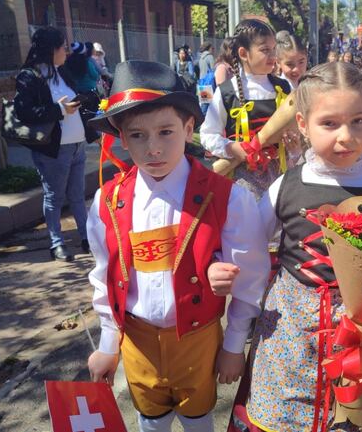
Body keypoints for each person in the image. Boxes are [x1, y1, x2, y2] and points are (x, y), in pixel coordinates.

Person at [85, 60, 269, 432]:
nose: (153, 148)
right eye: (137, 135)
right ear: (121, 136)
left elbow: (250, 277)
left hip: (197, 340)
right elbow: (104, 275)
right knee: (150, 420)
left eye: (166, 132)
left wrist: (234, 344)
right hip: (137, 341)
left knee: (198, 419)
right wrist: (108, 343)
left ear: (189, 128)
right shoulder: (107, 201)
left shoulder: (227, 199)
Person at [237, 60, 362, 432]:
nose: (346, 136)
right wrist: (237, 332)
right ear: (302, 124)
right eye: (329, 123)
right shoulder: (284, 187)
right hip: (294, 336)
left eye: (358, 122)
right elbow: (251, 256)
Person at [13, 27, 89, 261]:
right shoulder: (29, 76)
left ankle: (86, 236)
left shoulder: (61, 71)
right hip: (53, 149)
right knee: (54, 197)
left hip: (78, 144)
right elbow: (24, 113)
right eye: (62, 46)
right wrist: (59, 109)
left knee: (78, 195)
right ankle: (56, 242)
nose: (66, 51)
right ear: (50, 49)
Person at [200, 19, 291, 198]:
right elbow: (207, 134)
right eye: (265, 50)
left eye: (274, 49)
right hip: (242, 176)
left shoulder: (283, 87)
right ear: (243, 53)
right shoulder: (227, 91)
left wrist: (293, 144)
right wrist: (232, 148)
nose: (273, 56)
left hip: (281, 171)